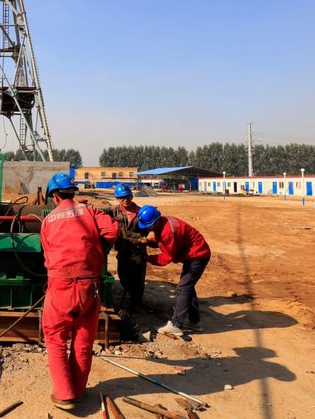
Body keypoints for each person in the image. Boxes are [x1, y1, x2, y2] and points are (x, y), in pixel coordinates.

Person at [40, 172, 119, 410]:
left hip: (60, 285)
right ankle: (78, 390)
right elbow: (113, 233)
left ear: (54, 196)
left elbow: (47, 254)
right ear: (73, 192)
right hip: (89, 286)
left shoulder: (48, 221)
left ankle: (64, 395)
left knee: (55, 338)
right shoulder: (91, 212)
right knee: (84, 339)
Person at [137, 205, 211, 336]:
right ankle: (195, 322)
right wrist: (149, 242)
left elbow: (165, 258)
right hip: (192, 253)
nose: (147, 229)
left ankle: (176, 324)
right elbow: (161, 240)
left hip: (198, 255)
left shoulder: (168, 232)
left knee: (183, 288)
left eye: (148, 226)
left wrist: (145, 258)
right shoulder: (163, 221)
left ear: (156, 221)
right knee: (188, 287)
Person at [110, 184, 148, 307]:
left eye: (127, 197)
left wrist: (140, 246)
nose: (125, 200)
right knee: (123, 275)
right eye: (122, 198)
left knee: (138, 279)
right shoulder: (113, 211)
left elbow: (148, 231)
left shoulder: (141, 212)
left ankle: (136, 302)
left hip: (138, 251)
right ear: (117, 198)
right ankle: (131, 293)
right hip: (123, 250)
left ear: (132, 196)